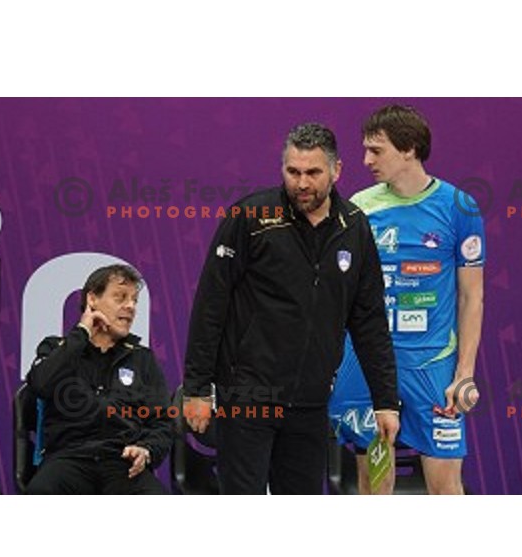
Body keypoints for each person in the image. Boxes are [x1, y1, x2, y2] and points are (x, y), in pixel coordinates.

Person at [182, 123, 400, 495]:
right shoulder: (250, 218)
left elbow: (369, 322)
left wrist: (385, 400)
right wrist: (197, 390)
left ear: (336, 171)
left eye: (313, 172)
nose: (301, 183)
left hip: (311, 402)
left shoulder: (355, 228)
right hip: (247, 396)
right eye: (292, 171)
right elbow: (210, 306)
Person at [329, 104, 485, 495]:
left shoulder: (459, 207)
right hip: (366, 362)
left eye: (376, 150)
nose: (366, 160)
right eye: (365, 149)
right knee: (373, 484)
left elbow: (472, 297)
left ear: (409, 148)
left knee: (446, 487)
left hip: (431, 364)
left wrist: (464, 372)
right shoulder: (358, 207)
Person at [25, 264, 172, 494]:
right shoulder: (56, 348)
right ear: (92, 299)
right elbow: (39, 384)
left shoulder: (142, 359)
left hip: (122, 465)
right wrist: (82, 333)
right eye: (120, 297)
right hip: (67, 460)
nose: (130, 307)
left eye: (134, 300)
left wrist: (146, 449)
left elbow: (163, 422)